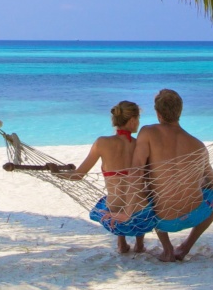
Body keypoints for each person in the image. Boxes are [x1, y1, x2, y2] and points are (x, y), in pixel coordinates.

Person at [132, 88, 213, 261]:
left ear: (158, 113)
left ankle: (167, 249)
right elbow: (211, 183)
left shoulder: (148, 132)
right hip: (195, 215)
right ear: (180, 112)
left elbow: (137, 170)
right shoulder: (198, 145)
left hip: (164, 218)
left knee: (147, 185)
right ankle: (186, 246)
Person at [64, 100, 152, 253]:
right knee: (142, 192)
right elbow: (150, 179)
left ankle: (122, 243)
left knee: (106, 201)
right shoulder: (141, 145)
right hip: (141, 217)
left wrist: (55, 173)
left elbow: (78, 176)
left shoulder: (102, 143)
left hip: (114, 219)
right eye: (138, 119)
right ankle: (139, 244)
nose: (138, 122)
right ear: (132, 120)